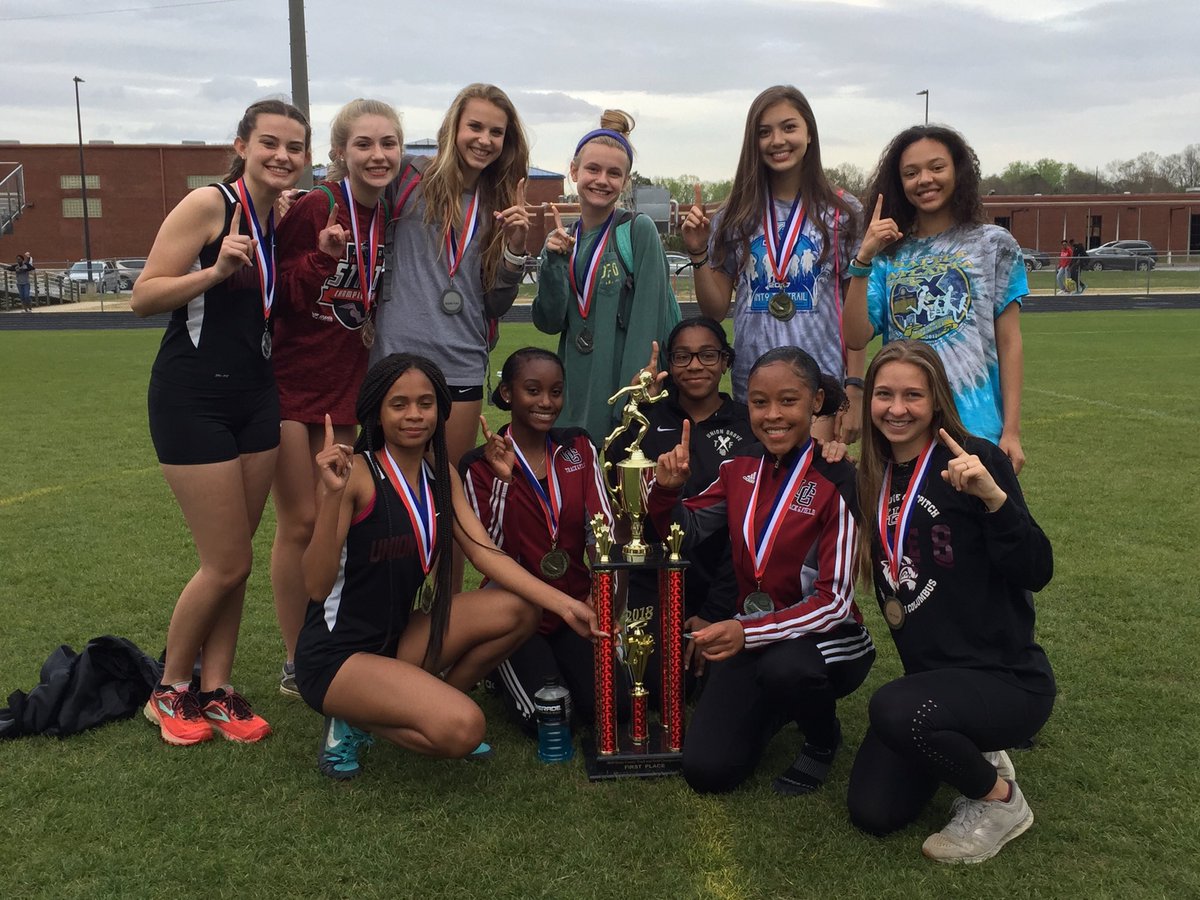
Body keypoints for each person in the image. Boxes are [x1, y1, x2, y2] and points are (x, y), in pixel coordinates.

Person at [296, 353, 606, 780]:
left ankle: (414, 700)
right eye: (399, 404)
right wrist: (329, 497)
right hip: (337, 658)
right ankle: (355, 715)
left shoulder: (442, 477)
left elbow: (486, 554)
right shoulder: (355, 475)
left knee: (519, 609)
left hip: (399, 640)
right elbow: (315, 586)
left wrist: (565, 604)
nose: (414, 415)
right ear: (377, 413)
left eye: (425, 403)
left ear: (441, 410)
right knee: (464, 729)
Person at [130, 99, 312, 746]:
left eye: (294, 147)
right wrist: (215, 271)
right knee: (226, 560)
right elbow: (144, 296)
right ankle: (170, 688)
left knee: (235, 559)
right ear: (241, 144)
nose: (282, 156)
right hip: (192, 398)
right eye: (269, 143)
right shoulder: (210, 204)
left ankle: (217, 690)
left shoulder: (277, 214)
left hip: (257, 397)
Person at [846, 340, 1054, 864]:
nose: (897, 409)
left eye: (913, 395)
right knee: (874, 812)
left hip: (1005, 679)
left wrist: (994, 498)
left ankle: (1002, 802)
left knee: (894, 708)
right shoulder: (868, 478)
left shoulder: (973, 459)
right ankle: (978, 748)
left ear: (936, 400)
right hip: (933, 683)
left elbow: (1037, 570)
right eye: (884, 394)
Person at [648, 346, 874, 795]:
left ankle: (822, 739)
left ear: (814, 403)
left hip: (827, 639)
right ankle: (776, 709)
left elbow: (833, 603)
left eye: (788, 401)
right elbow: (686, 530)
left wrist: (746, 633)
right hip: (753, 634)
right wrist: (665, 494)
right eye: (758, 402)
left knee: (787, 669)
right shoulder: (738, 467)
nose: (772, 415)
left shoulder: (837, 477)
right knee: (708, 771)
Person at [270, 99, 402, 697]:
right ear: (339, 153)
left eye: (389, 144)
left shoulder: (388, 216)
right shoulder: (317, 206)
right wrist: (324, 255)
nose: (378, 155)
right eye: (364, 144)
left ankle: (327, 640)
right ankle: (298, 656)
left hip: (346, 389)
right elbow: (280, 295)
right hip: (291, 384)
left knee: (333, 519)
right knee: (298, 522)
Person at [682, 85, 864, 444]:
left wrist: (854, 389)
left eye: (789, 128)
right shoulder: (735, 214)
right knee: (756, 495)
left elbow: (855, 309)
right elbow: (716, 309)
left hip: (820, 384)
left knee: (807, 492)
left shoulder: (843, 212)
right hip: (754, 385)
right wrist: (698, 252)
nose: (777, 140)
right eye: (764, 132)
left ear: (809, 133)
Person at [843, 124, 1028, 474]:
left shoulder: (994, 244)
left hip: (976, 429)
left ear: (958, 170)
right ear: (899, 183)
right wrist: (864, 259)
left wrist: (1012, 431)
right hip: (903, 429)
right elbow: (855, 336)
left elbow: (1010, 341)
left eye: (936, 167)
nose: (924, 179)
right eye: (911, 173)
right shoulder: (888, 255)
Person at [371, 84, 531, 472]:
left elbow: (494, 303)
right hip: (395, 356)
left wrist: (515, 247)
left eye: (497, 132)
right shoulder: (407, 175)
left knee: (446, 486)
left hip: (460, 360)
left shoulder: (502, 202)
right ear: (453, 127)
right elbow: (355, 191)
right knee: (388, 495)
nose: (485, 140)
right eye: (475, 126)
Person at [459, 348, 615, 736]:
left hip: (577, 605)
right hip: (518, 613)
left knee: (614, 707)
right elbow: (487, 550)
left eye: (556, 391)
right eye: (533, 390)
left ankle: (552, 665)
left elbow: (603, 529)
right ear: (508, 394)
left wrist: (601, 591)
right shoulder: (478, 465)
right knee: (552, 717)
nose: (547, 402)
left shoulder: (578, 447)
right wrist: (502, 482)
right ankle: (499, 664)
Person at [608, 317, 753, 690]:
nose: (694, 366)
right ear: (670, 365)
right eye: (682, 357)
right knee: (655, 684)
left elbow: (748, 531)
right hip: (656, 575)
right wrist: (639, 399)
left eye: (707, 355)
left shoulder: (748, 426)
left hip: (727, 576)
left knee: (723, 680)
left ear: (725, 361)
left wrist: (713, 613)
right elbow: (619, 486)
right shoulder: (648, 421)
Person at [532, 110, 681, 443]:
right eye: (593, 169)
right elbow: (549, 322)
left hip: (623, 399)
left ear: (625, 181)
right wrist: (553, 262)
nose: (602, 180)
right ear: (574, 171)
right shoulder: (564, 240)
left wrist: (631, 400)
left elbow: (648, 317)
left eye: (614, 173)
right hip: (573, 398)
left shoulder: (636, 231)